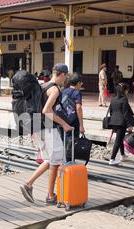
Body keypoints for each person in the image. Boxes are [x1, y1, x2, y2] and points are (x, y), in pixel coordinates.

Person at [20, 64, 72, 205]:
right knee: (55, 161)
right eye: (66, 76)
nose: (66, 79)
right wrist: (64, 124)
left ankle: (29, 184)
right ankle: (50, 196)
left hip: (38, 128)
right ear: (61, 74)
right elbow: (47, 110)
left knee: (50, 160)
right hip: (49, 128)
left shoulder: (43, 86)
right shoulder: (54, 89)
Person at [108, 83, 134, 166]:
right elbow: (125, 113)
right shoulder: (124, 99)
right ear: (124, 90)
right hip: (121, 123)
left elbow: (111, 111)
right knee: (118, 141)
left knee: (120, 139)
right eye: (127, 90)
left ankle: (123, 155)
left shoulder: (113, 99)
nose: (127, 92)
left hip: (114, 122)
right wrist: (129, 125)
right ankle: (112, 159)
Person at [60, 73, 86, 141]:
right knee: (72, 142)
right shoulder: (77, 93)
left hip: (63, 119)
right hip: (73, 121)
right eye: (81, 82)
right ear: (78, 83)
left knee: (63, 140)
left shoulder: (63, 91)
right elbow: (78, 108)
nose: (82, 84)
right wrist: (81, 125)